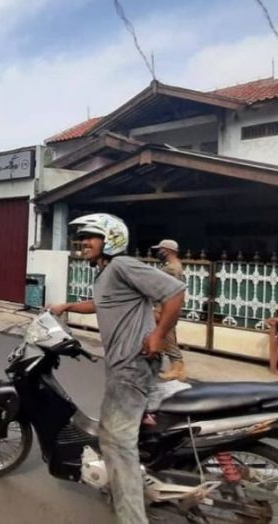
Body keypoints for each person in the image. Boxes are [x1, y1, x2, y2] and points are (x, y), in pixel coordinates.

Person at [46, 214, 185, 524]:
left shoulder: (122, 265)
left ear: (110, 239)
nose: (83, 242)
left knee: (115, 442)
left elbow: (174, 291)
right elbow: (100, 304)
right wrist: (66, 307)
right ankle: (134, 484)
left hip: (132, 365)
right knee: (119, 433)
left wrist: (159, 335)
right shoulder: (106, 274)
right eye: (82, 237)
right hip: (123, 365)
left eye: (91, 236)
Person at [152, 239, 186, 381]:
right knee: (164, 336)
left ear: (168, 251)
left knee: (168, 338)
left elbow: (163, 289)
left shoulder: (170, 269)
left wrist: (159, 310)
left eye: (161, 250)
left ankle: (177, 370)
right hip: (169, 307)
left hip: (167, 308)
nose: (159, 252)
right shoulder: (175, 266)